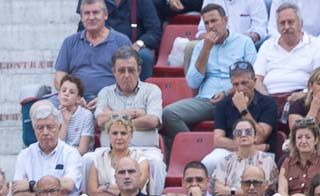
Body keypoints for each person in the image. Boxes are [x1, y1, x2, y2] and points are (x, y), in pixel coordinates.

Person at [163, 4, 257, 157]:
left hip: (236, 98)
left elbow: (251, 79)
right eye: (206, 23)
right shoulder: (200, 47)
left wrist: (227, 92)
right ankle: (195, 152)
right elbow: (193, 82)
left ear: (225, 20)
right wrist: (206, 49)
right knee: (169, 114)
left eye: (214, 21)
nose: (210, 26)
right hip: (207, 100)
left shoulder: (244, 42)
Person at [55, 0, 132, 100]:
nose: (91, 17)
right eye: (87, 13)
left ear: (105, 15)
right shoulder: (69, 42)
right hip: (73, 99)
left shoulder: (122, 42)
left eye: (95, 12)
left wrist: (106, 99)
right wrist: (73, 97)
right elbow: (59, 76)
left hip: (112, 100)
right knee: (42, 107)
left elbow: (130, 78)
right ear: (81, 17)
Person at [12, 100, 84, 196]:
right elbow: (17, 193)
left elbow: (69, 185)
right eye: (40, 128)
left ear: (59, 127)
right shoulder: (24, 155)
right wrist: (54, 194)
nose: (45, 132)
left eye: (50, 127)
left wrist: (30, 185)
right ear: (34, 130)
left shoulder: (71, 153)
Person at [93, 49, 164, 152]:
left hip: (145, 151)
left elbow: (152, 121)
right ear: (114, 72)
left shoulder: (152, 90)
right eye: (121, 71)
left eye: (131, 70)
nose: (126, 75)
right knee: (88, 158)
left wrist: (113, 117)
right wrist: (133, 113)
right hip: (110, 152)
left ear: (139, 70)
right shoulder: (105, 92)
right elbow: (100, 120)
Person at [86, 117, 161, 196]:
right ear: (108, 136)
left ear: (131, 136)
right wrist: (122, 192)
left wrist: (105, 187)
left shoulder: (140, 160)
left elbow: (135, 189)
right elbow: (93, 193)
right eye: (115, 133)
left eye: (123, 133)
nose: (119, 137)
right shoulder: (98, 160)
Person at [254, 3, 317, 96]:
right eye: (282, 23)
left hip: (303, 97)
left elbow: (318, 79)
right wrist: (266, 98)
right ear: (277, 27)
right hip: (271, 96)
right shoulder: (267, 46)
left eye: (290, 22)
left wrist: (304, 94)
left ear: (300, 24)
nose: (286, 27)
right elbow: (257, 79)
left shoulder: (315, 44)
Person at [211, 118, 277, 196]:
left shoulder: (266, 160)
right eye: (238, 132)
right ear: (234, 138)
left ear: (255, 137)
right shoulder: (225, 161)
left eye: (248, 132)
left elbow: (262, 192)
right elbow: (218, 190)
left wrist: (231, 192)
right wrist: (246, 193)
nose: (243, 135)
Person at [94, 0, 162, 79]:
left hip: (133, 48)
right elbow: (85, 28)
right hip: (102, 46)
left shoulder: (142, 2)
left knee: (145, 56)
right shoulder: (95, 3)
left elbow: (154, 32)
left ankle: (141, 86)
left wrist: (139, 43)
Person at [277, 118, 320, 196]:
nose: (303, 141)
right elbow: (282, 191)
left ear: (316, 140)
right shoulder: (286, 162)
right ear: (294, 140)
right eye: (299, 137)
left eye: (308, 137)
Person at [58, 74, 95, 155]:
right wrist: (65, 122)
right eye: (63, 90)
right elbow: (58, 145)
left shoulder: (86, 115)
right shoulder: (56, 114)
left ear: (78, 98)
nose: (66, 94)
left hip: (81, 156)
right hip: (62, 155)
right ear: (59, 94)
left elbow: (83, 150)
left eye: (71, 92)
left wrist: (64, 155)